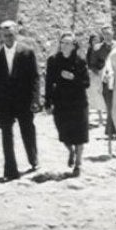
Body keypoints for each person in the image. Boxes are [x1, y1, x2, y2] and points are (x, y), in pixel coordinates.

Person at [0, 20, 40, 180]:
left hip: (24, 100)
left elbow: (35, 78)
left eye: (10, 34)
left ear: (16, 33)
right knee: (6, 135)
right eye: (5, 35)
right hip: (4, 102)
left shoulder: (27, 52)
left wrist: (35, 99)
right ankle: (10, 170)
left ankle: (33, 159)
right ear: (1, 36)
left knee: (27, 130)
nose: (8, 38)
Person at [45, 32, 90, 177]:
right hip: (61, 101)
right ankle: (70, 151)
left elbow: (86, 83)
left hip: (78, 101)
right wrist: (48, 101)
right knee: (63, 132)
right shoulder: (53, 60)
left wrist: (73, 77)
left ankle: (78, 164)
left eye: (68, 43)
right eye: (62, 42)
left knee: (80, 133)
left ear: (73, 46)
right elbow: (48, 82)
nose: (64, 45)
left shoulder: (80, 61)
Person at [86, 31, 110, 126]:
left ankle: (107, 117)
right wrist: (94, 70)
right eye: (93, 40)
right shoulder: (90, 50)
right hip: (94, 74)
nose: (95, 42)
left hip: (103, 72)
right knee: (97, 96)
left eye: (97, 40)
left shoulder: (102, 49)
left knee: (104, 93)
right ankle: (100, 117)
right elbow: (88, 62)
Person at [100, 26, 116, 139]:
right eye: (105, 34)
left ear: (113, 33)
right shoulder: (97, 48)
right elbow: (92, 63)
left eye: (109, 33)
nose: (107, 36)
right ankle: (110, 130)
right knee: (110, 106)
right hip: (105, 79)